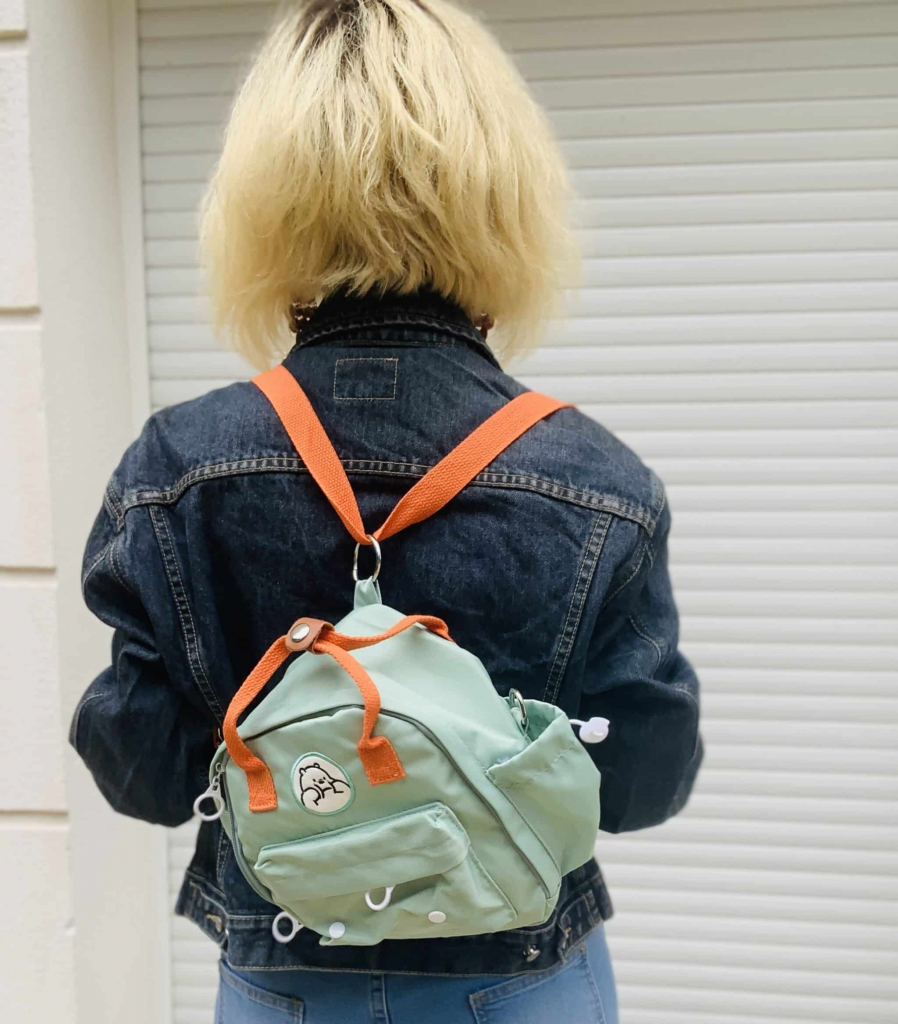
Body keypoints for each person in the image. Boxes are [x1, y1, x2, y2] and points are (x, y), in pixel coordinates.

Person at [71, 1, 702, 1021]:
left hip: (282, 974)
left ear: (264, 202)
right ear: (503, 197)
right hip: (519, 975)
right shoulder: (595, 476)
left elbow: (143, 772)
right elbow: (642, 784)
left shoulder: (177, 467)